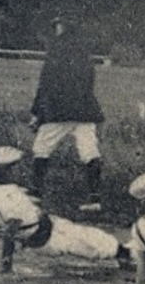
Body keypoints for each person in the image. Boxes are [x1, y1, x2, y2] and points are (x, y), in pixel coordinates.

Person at [0, 147, 131, 274]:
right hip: (47, 238)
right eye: (15, 167)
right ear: (8, 171)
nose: (20, 170)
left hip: (49, 226)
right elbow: (9, 232)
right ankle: (124, 253)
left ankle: (122, 252)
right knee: (90, 245)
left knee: (86, 235)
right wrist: (6, 267)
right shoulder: (12, 196)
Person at [29, 14, 105, 212]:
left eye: (58, 26)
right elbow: (89, 82)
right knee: (89, 151)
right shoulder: (84, 52)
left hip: (59, 111)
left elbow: (45, 84)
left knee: (41, 148)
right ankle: (95, 198)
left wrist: (37, 113)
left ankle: (36, 192)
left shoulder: (55, 51)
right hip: (85, 110)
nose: (56, 29)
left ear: (63, 28)